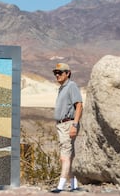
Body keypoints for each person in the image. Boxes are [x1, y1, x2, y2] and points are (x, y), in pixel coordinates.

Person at [51, 63, 83, 193]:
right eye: (55, 73)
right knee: (69, 155)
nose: (57, 75)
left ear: (68, 73)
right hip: (61, 125)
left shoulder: (71, 86)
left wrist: (74, 125)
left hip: (68, 124)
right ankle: (74, 185)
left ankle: (61, 186)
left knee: (64, 156)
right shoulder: (62, 88)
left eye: (60, 72)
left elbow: (79, 105)